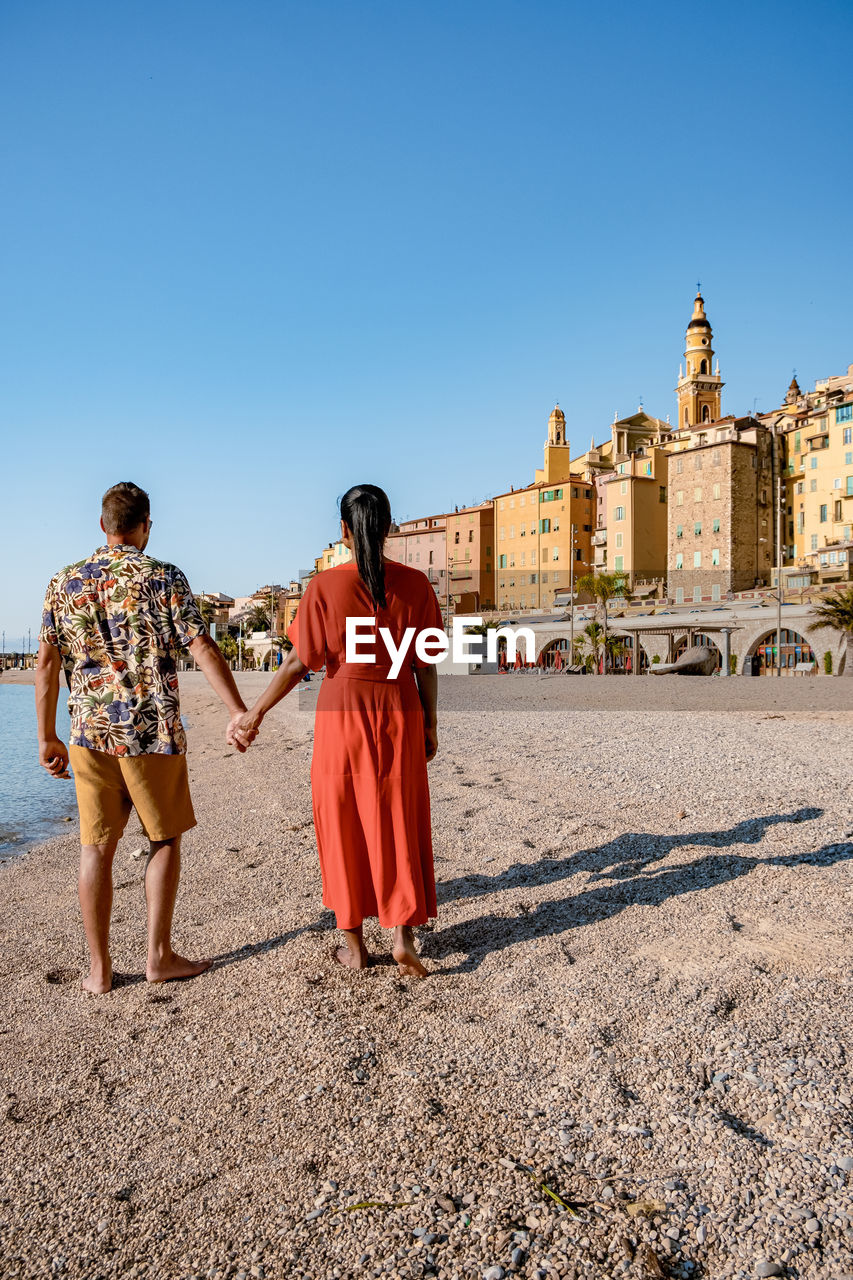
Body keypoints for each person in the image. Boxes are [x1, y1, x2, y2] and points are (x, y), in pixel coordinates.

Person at [36, 481, 252, 994]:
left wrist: (47, 737)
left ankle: (99, 970)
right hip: (152, 732)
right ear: (146, 526)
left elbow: (46, 665)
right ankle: (158, 957)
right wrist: (237, 710)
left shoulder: (62, 582)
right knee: (163, 839)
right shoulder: (164, 577)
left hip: (90, 733)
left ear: (103, 525)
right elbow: (201, 647)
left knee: (95, 849)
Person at [230, 484, 441, 977]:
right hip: (399, 707)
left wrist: (255, 714)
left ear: (344, 531)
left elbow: (298, 663)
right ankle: (403, 936)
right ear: (389, 528)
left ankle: (354, 944)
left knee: (341, 821)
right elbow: (426, 665)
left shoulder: (324, 588)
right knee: (398, 818)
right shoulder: (416, 585)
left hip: (342, 711)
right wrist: (430, 722)